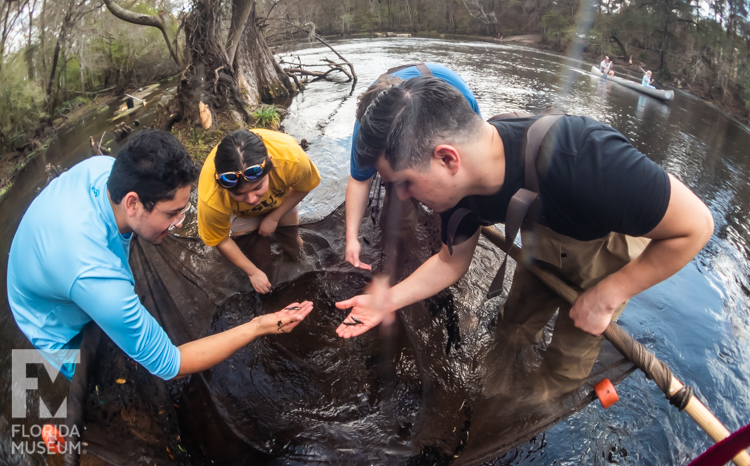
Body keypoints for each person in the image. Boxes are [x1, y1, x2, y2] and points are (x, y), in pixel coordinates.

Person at [334, 77, 714, 385]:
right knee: (511, 327)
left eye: (404, 183)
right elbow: (450, 262)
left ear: (448, 158)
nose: (401, 197)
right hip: (544, 236)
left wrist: (608, 295)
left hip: (604, 250)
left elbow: (695, 227)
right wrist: (388, 300)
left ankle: (548, 390)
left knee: (568, 358)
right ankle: (500, 387)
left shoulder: (585, 157)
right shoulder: (458, 193)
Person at [7, 129, 313, 381]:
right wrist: (261, 325)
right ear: (132, 204)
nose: (180, 222)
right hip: (53, 319)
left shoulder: (105, 170)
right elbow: (170, 365)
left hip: (55, 259)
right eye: (172, 213)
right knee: (103, 386)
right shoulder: (98, 280)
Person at [345, 63, 481, 270]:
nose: (405, 192)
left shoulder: (459, 101)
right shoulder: (367, 131)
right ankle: (398, 260)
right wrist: (351, 238)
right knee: (398, 218)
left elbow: (475, 154)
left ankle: (443, 251)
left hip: (441, 131)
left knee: (450, 207)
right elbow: (359, 179)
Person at [198, 129, 321, 293]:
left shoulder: (290, 159)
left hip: (279, 197)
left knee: (292, 240)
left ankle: (304, 267)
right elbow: (219, 239)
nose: (251, 200)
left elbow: (304, 187)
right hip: (238, 212)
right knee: (259, 258)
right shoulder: (212, 197)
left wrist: (274, 217)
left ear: (270, 164)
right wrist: (253, 272)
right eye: (239, 193)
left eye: (257, 188)